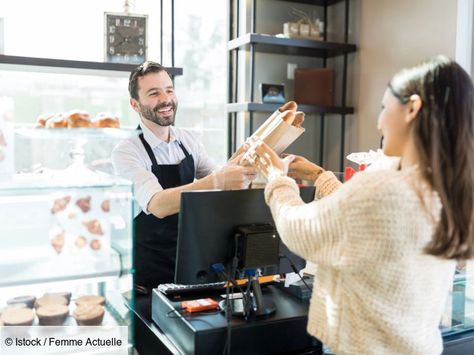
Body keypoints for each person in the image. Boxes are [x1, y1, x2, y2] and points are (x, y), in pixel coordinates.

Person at [246, 56, 474, 354]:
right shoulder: (445, 188)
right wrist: (320, 175)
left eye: (383, 108)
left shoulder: (387, 188)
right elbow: (362, 220)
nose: (379, 122)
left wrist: (276, 177)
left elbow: (299, 229)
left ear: (412, 108)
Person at [112, 61, 257, 299]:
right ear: (135, 104)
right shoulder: (127, 151)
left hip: (192, 267)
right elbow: (158, 205)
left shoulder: (187, 140)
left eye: (169, 90)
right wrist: (219, 180)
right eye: (154, 93)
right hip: (150, 279)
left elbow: (219, 182)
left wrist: (244, 164)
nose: (166, 99)